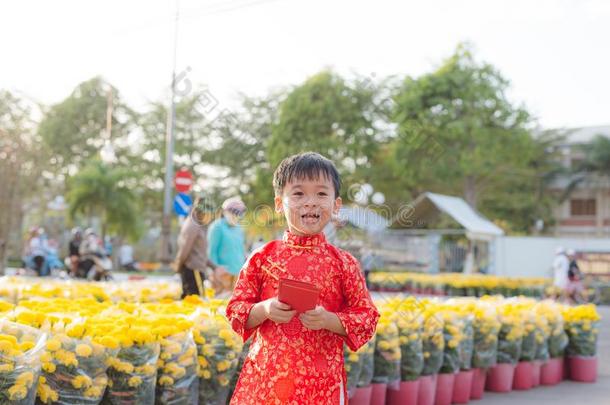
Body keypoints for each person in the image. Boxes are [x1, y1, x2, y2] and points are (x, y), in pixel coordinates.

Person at [226, 152, 380, 404]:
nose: (310, 202)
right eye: (298, 194)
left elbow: (366, 318)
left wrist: (328, 320)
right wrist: (264, 309)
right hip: (264, 383)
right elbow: (235, 311)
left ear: (336, 205)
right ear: (278, 203)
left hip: (321, 385)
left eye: (321, 194)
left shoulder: (344, 263)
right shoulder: (261, 257)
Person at [173, 195, 221, 298]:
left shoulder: (198, 226)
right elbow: (185, 249)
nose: (210, 217)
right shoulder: (192, 226)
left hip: (196, 270)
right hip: (192, 270)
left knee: (192, 301)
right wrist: (178, 265)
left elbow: (200, 253)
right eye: (208, 214)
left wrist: (214, 267)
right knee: (196, 302)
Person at [207, 197, 247, 295]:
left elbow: (241, 249)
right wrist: (215, 271)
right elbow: (211, 251)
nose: (236, 216)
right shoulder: (217, 227)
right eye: (233, 213)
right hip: (222, 275)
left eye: (239, 214)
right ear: (225, 212)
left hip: (238, 274)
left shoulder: (239, 228)